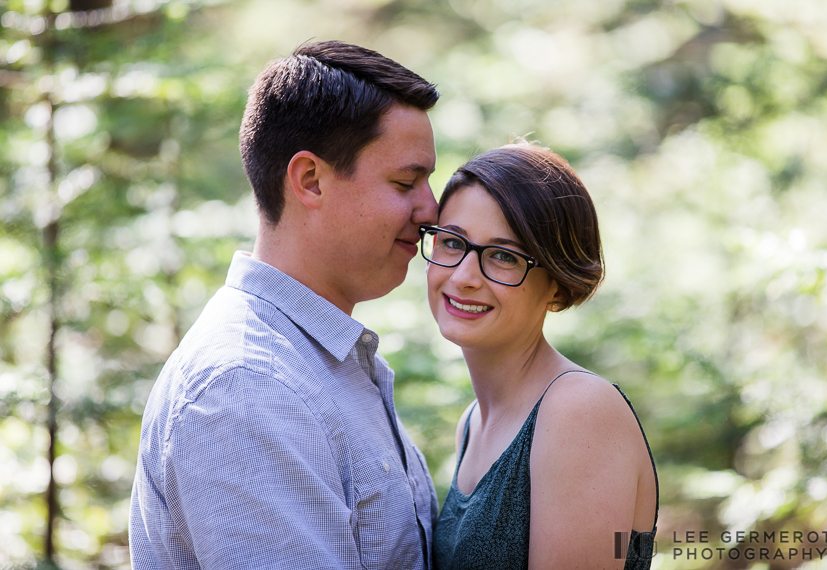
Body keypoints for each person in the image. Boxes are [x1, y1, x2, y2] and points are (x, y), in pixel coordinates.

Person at [129, 41, 441, 569]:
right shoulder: (247, 385)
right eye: (406, 182)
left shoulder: (325, 360)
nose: (430, 209)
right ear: (310, 181)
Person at [424, 143, 659, 570]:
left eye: (503, 256)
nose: (463, 277)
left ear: (556, 284)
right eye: (452, 242)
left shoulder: (579, 410)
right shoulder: (472, 421)